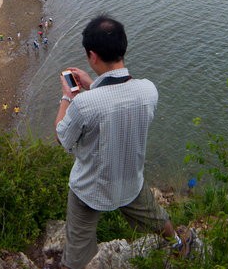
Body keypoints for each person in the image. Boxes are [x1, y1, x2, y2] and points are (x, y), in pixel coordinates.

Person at [55, 15, 187, 269]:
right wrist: (93, 86)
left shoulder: (84, 104)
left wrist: (67, 97)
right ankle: (178, 245)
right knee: (156, 219)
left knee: (77, 248)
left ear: (92, 56)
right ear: (123, 47)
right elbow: (118, 101)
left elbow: (62, 137)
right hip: (129, 181)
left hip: (90, 189)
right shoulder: (149, 91)